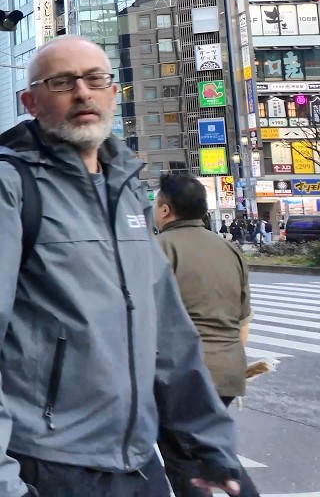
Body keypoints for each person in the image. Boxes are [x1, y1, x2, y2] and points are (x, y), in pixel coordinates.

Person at [0, 35, 244, 497]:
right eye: (63, 82)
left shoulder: (126, 189)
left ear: (113, 92)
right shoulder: (6, 187)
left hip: (137, 462)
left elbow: (167, 332)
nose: (83, 92)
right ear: (32, 101)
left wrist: (206, 447)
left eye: (95, 79)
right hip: (50, 463)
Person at [155, 174, 260, 497]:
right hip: (228, 370)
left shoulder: (160, 248)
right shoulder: (228, 249)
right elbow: (243, 320)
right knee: (208, 451)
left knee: (185, 458)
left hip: (185, 374)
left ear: (166, 210)